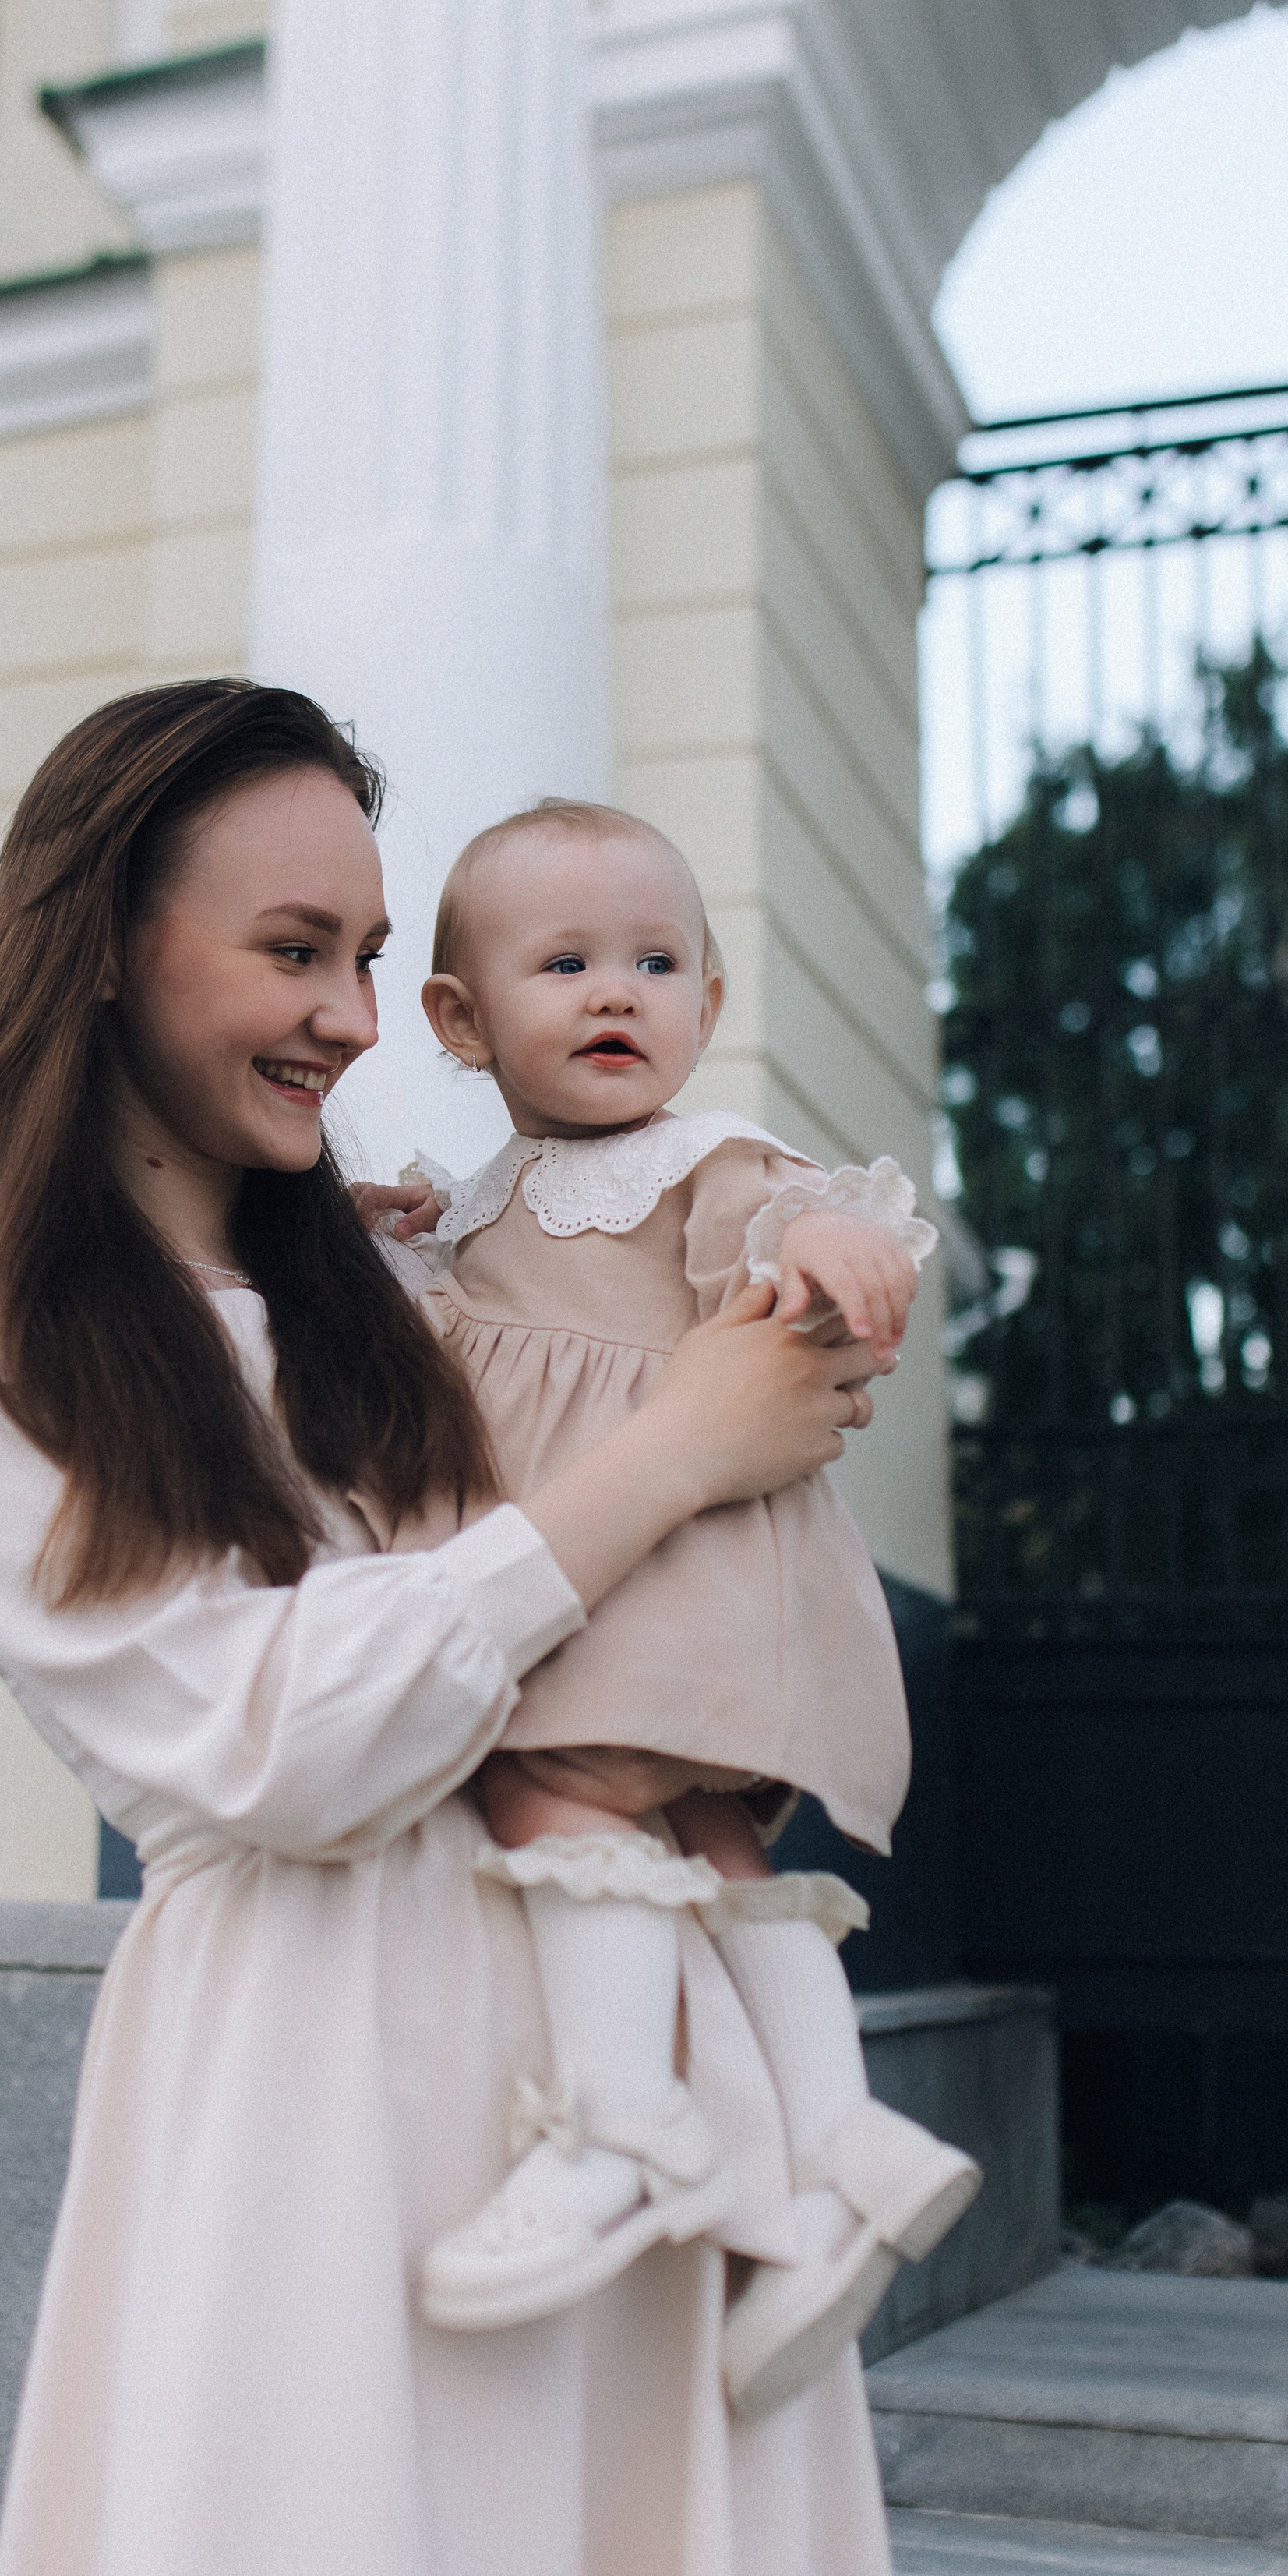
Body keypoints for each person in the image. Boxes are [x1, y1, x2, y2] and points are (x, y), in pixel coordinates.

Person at [0, 680, 913, 2576]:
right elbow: (284, 1744)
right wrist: (671, 1450)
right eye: (291, 950)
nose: (348, 1012)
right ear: (100, 949)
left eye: (361, 952)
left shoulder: (416, 1296)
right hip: (322, 2085)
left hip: (633, 2088)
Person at [357, 798, 976, 2414]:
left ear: (707, 999)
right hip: (621, 1568)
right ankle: (839, 2144)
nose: (614, 993)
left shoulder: (704, 1159)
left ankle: (621, 2121)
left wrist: (832, 1232)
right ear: (456, 1019)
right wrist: (383, 1251)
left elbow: (780, 1218)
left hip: (673, 1564)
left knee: (545, 1787)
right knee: (710, 1847)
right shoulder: (488, 1196)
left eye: (655, 962)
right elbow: (447, 1337)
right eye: (562, 963)